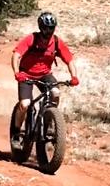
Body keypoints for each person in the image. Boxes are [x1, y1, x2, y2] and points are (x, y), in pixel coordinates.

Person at [10, 11, 79, 149]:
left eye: (51, 28)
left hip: (44, 74)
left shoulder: (57, 42)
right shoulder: (31, 39)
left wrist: (74, 76)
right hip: (26, 74)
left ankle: (48, 121)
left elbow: (69, 60)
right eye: (45, 28)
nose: (48, 31)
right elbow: (16, 55)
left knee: (55, 93)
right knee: (25, 104)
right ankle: (16, 134)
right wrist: (17, 73)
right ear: (40, 27)